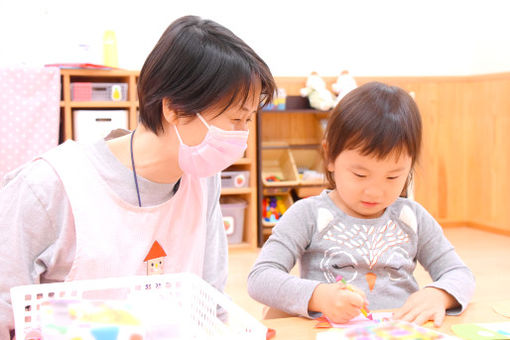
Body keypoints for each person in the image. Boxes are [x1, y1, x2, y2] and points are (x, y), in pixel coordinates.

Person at [0, 15, 276, 339]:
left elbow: (209, 300)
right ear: (172, 107)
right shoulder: (48, 186)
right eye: (234, 119)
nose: (242, 136)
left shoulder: (204, 180)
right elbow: (6, 314)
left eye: (248, 119)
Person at [247, 82, 475, 326]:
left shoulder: (413, 217)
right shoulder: (308, 214)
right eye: (359, 174)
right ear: (330, 156)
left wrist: (439, 294)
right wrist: (318, 296)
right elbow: (260, 278)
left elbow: (459, 273)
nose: (375, 191)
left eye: (392, 176)